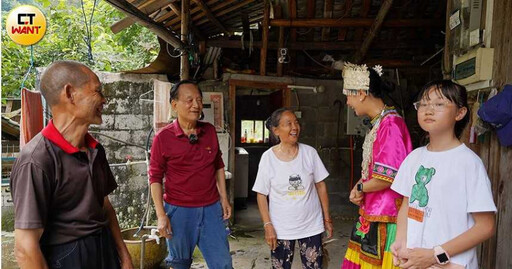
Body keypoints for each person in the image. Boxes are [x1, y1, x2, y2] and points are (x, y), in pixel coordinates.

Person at [10, 60, 133, 269]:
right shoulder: (36, 160)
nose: (104, 100)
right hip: (68, 257)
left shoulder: (95, 149)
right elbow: (25, 248)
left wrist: (124, 255)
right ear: (69, 94)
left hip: (104, 250)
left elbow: (105, 206)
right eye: (98, 91)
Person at [390, 80, 496, 269]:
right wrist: (401, 240)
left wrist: (434, 255)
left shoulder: (469, 163)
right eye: (423, 103)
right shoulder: (414, 158)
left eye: (439, 104)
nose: (428, 110)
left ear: (460, 113)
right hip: (415, 262)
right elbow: (407, 204)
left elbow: (486, 226)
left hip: (451, 264)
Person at [149, 80, 232, 269]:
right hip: (178, 211)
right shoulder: (163, 137)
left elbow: (218, 164)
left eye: (199, 100)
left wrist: (224, 198)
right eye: (189, 100)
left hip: (211, 209)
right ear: (174, 104)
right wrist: (161, 215)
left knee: (223, 263)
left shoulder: (209, 130)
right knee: (179, 263)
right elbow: (154, 178)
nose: (196, 105)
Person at [341, 63, 413, 269]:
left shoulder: (390, 124)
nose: (347, 102)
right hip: (374, 210)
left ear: (362, 93)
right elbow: (375, 170)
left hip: (387, 214)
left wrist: (360, 187)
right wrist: (361, 184)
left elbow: (386, 177)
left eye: (349, 95)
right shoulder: (381, 122)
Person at [252, 108, 333, 269]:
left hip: (311, 226)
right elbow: (261, 194)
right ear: (276, 130)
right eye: (288, 124)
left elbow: (321, 186)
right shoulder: (268, 158)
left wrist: (327, 218)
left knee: (314, 267)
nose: (295, 127)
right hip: (281, 228)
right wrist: (267, 225)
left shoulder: (309, 153)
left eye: (296, 122)